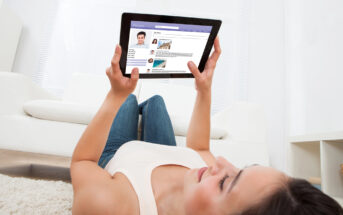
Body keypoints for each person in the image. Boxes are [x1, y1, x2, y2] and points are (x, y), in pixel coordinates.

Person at [70, 37, 343, 215]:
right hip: (167, 151)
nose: (220, 161)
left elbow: (83, 162)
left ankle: (128, 102)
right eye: (240, 168)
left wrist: (114, 96)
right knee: (156, 103)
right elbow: (199, 147)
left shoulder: (113, 205)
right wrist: (204, 89)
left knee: (128, 100)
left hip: (122, 155)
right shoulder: (204, 172)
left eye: (226, 181)